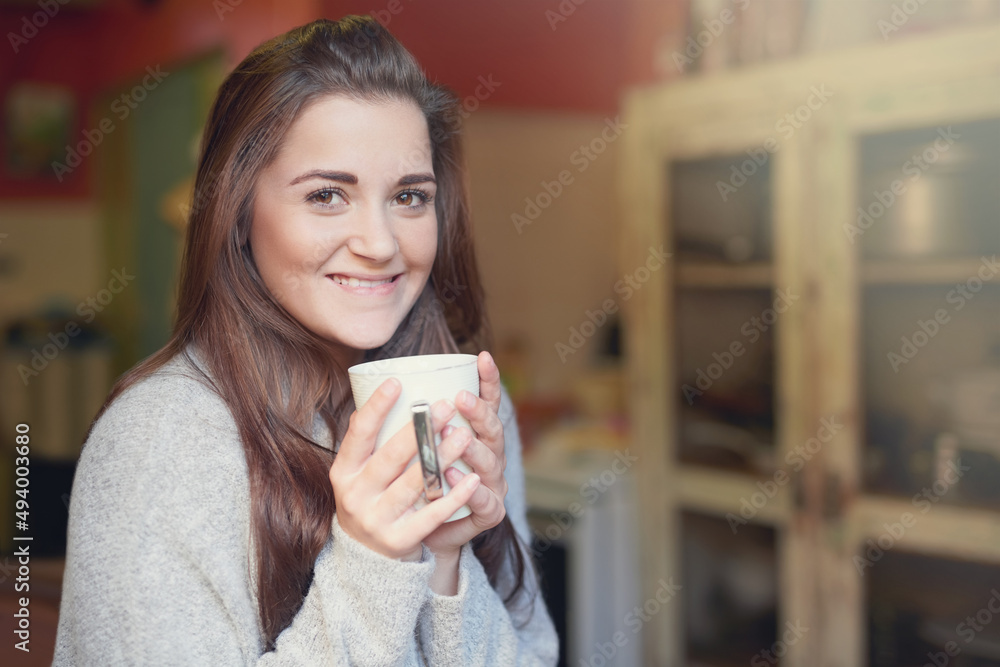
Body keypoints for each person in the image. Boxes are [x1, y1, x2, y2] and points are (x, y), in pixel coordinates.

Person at [53, 15, 559, 665]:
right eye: (327, 194)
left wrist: (446, 558)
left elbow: (533, 653)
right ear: (237, 212)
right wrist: (371, 562)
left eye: (409, 196)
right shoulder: (159, 442)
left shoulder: (461, 407)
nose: (380, 243)